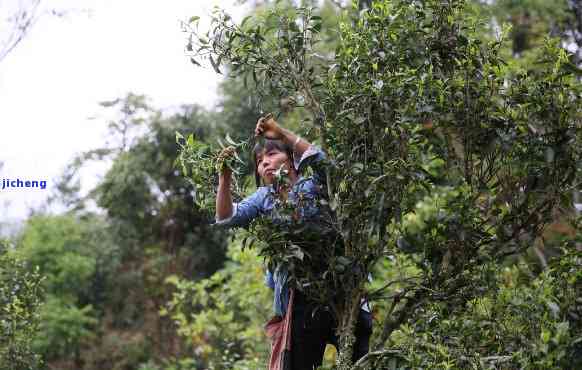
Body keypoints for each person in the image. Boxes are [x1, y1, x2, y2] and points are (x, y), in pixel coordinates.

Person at [215, 115, 372, 369]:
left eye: (272, 154)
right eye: (259, 161)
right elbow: (226, 218)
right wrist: (225, 177)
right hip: (300, 299)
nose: (264, 162)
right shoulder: (264, 198)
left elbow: (326, 165)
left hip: (341, 290)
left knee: (358, 360)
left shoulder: (315, 185)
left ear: (291, 161)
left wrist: (280, 132)